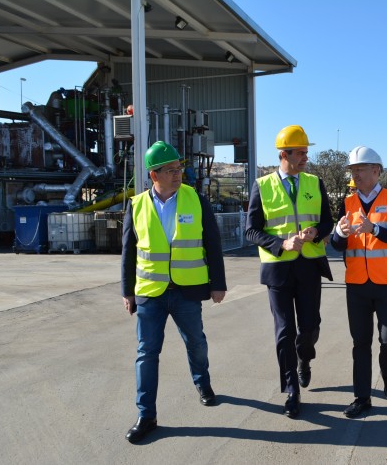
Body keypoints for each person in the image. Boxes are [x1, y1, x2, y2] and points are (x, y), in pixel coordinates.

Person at [121, 141, 227, 444]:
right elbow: (129, 252)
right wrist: (128, 291)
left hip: (187, 290)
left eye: (179, 168)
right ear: (154, 175)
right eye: (170, 170)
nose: (178, 174)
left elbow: (213, 244)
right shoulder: (137, 204)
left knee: (196, 342)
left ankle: (203, 383)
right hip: (150, 293)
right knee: (146, 353)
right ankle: (146, 415)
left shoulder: (196, 199)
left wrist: (217, 283)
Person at [245, 125, 333, 419]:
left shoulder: (314, 183)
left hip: (309, 266)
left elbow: (327, 222)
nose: (306, 157)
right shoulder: (262, 185)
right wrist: (281, 243)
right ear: (284, 154)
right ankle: (291, 389)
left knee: (308, 328)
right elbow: (251, 231)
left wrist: (315, 232)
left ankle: (304, 360)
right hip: (278, 270)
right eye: (301, 152)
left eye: (307, 151)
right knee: (284, 331)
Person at [331, 146, 387, 419]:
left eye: (360, 170)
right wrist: (339, 233)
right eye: (352, 170)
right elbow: (337, 244)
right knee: (360, 342)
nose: (355, 175)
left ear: (376, 170)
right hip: (357, 285)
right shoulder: (348, 202)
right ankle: (362, 397)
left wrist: (374, 228)